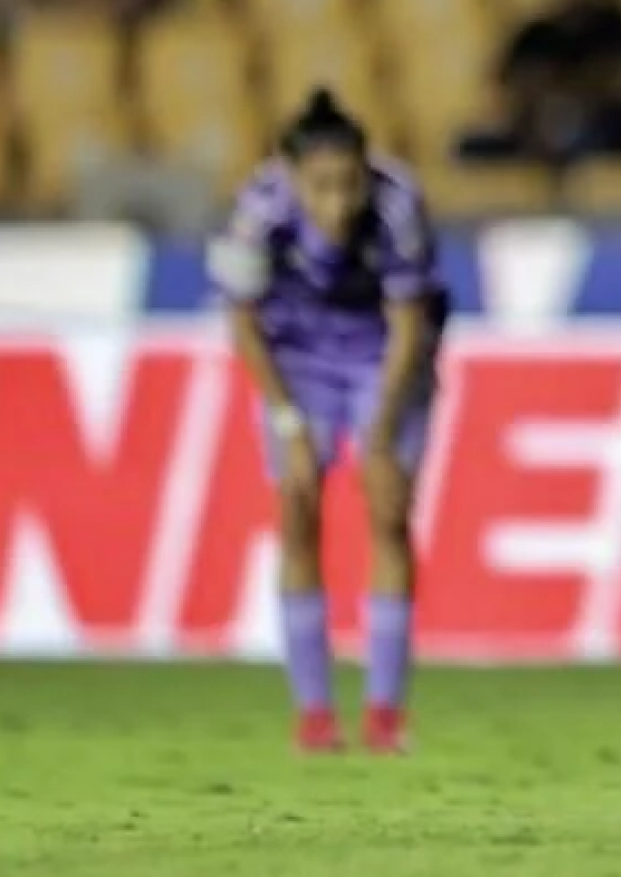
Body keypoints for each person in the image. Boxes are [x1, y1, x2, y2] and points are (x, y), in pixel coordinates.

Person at [207, 89, 447, 754]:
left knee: (388, 513)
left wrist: (378, 438)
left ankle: (385, 714)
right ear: (291, 178)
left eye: (349, 185)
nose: (338, 205)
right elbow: (243, 324)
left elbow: (407, 325)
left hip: (382, 359)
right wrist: (287, 423)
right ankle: (314, 712)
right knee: (297, 509)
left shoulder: (399, 205)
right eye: (321, 188)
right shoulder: (256, 212)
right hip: (299, 358)